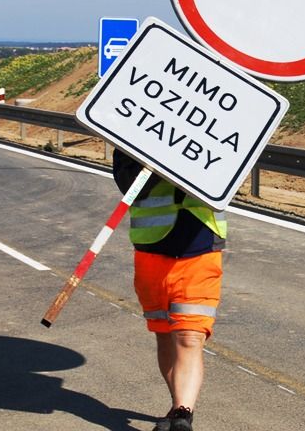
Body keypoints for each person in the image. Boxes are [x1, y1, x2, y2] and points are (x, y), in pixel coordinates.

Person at [113, 149, 227, 431]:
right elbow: (130, 186)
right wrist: (162, 156)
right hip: (151, 250)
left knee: (189, 336)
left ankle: (182, 416)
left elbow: (227, 173)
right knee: (165, 336)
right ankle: (178, 406)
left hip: (199, 245)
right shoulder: (129, 136)